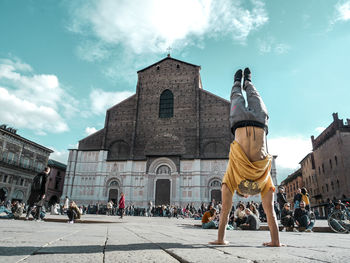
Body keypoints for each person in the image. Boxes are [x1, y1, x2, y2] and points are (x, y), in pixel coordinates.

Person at [210, 68, 283, 247]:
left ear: (242, 191)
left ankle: (245, 82)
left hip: (258, 122)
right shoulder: (239, 181)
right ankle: (242, 82)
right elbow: (226, 212)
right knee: (236, 96)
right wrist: (220, 239)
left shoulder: (255, 182)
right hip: (243, 122)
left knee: (253, 96)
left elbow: (226, 212)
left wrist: (221, 240)